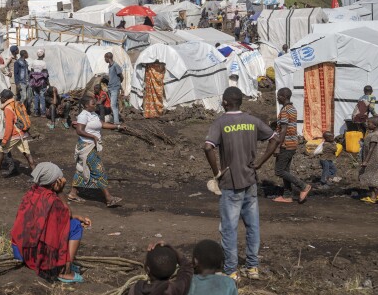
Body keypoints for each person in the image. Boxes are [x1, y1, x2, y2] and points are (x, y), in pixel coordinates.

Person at [204, 87, 278, 283]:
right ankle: (252, 267)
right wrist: (261, 162)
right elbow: (274, 138)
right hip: (250, 181)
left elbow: (208, 147)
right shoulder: (252, 121)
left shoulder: (220, 123)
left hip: (229, 183)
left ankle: (231, 271)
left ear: (226, 102)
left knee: (229, 228)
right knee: (252, 226)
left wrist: (216, 173)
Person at [11, 162, 91, 283]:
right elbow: (67, 214)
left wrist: (77, 216)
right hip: (36, 256)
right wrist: (60, 192)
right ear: (55, 183)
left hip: (20, 250)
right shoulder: (53, 200)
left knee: (72, 222)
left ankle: (64, 264)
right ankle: (66, 271)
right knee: (75, 227)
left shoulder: (31, 193)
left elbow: (52, 216)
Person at [67, 96, 123, 207]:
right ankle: (109, 198)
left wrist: (117, 126)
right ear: (86, 105)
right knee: (99, 170)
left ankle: (73, 194)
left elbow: (102, 124)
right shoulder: (83, 116)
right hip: (86, 147)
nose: (95, 105)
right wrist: (92, 136)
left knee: (81, 170)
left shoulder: (93, 114)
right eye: (93, 103)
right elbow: (79, 130)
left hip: (91, 146)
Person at [271, 88, 311, 203]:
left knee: (279, 171)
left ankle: (303, 186)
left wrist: (278, 145)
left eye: (279, 96)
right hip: (292, 143)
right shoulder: (292, 108)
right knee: (285, 170)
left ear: (283, 96)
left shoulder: (284, 111)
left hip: (286, 144)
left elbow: (283, 130)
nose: (277, 98)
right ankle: (287, 196)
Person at [0, 90, 35, 179]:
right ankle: (36, 177)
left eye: (1, 97)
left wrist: (5, 140)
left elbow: (9, 127)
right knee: (27, 154)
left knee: (1, 150)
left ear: (5, 99)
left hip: (15, 134)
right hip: (22, 133)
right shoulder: (16, 104)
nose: (0, 99)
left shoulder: (8, 108)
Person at [128, 242, 193, 295]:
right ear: (174, 270)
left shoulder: (135, 290)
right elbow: (187, 267)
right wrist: (171, 248)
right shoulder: (176, 289)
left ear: (147, 269)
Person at [359, 116, 378, 203]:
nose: (367, 124)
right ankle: (373, 197)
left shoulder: (375, 135)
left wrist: (366, 161)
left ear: (374, 125)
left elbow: (371, 149)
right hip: (371, 158)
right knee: (369, 176)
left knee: (367, 176)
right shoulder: (373, 133)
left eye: (369, 123)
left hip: (372, 158)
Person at [104, 52, 123, 125]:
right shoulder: (110, 66)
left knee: (113, 105)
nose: (104, 59)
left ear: (108, 58)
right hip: (110, 88)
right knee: (114, 105)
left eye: (105, 58)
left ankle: (116, 122)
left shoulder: (115, 65)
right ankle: (116, 119)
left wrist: (118, 84)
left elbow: (121, 77)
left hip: (115, 88)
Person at [29, 49, 49, 117]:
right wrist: (48, 82)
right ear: (43, 55)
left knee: (36, 96)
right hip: (42, 83)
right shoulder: (44, 63)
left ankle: (36, 112)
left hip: (34, 82)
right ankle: (43, 113)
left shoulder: (33, 62)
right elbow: (45, 73)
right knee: (42, 97)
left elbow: (31, 71)